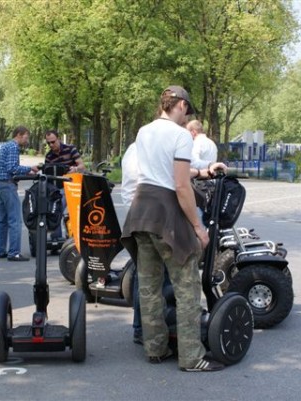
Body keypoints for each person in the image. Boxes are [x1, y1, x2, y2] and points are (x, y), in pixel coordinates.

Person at [121, 85, 224, 372]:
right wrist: (197, 227)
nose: (185, 116)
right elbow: (180, 185)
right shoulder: (180, 135)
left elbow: (156, 169)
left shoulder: (144, 131)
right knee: (187, 286)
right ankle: (191, 357)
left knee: (150, 286)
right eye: (186, 111)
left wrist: (201, 170)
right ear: (179, 105)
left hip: (140, 212)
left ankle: (155, 348)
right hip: (166, 213)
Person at [0, 126, 38, 261]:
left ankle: (0, 250)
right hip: (8, 186)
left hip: (1, 184)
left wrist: (25, 172)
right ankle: (14, 252)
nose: (27, 140)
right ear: (19, 135)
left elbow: (8, 167)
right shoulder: (13, 147)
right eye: (26, 136)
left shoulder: (6, 146)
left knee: (2, 220)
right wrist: (29, 168)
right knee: (15, 220)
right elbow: (12, 168)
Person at [44, 130, 85, 240]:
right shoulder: (49, 156)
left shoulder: (70, 149)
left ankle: (71, 234)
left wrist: (75, 168)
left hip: (72, 186)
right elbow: (47, 175)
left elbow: (82, 165)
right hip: (57, 187)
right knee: (53, 206)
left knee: (58, 206)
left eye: (53, 142)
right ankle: (56, 238)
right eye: (48, 143)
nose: (51, 145)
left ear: (58, 139)